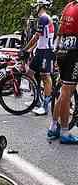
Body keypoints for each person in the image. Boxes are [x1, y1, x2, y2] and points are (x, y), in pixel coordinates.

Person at [48, 0, 78, 144]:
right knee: (67, 90)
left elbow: (60, 29)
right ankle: (65, 132)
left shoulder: (69, 6)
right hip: (74, 52)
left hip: (62, 50)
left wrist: (56, 48)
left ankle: (54, 127)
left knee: (65, 90)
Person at [23, 0, 55, 116]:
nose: (35, 8)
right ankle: (37, 100)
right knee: (29, 73)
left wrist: (25, 48)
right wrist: (30, 49)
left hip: (46, 51)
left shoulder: (44, 18)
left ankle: (45, 106)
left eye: (36, 6)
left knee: (45, 76)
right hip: (40, 50)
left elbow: (36, 37)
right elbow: (40, 38)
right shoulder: (41, 19)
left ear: (40, 6)